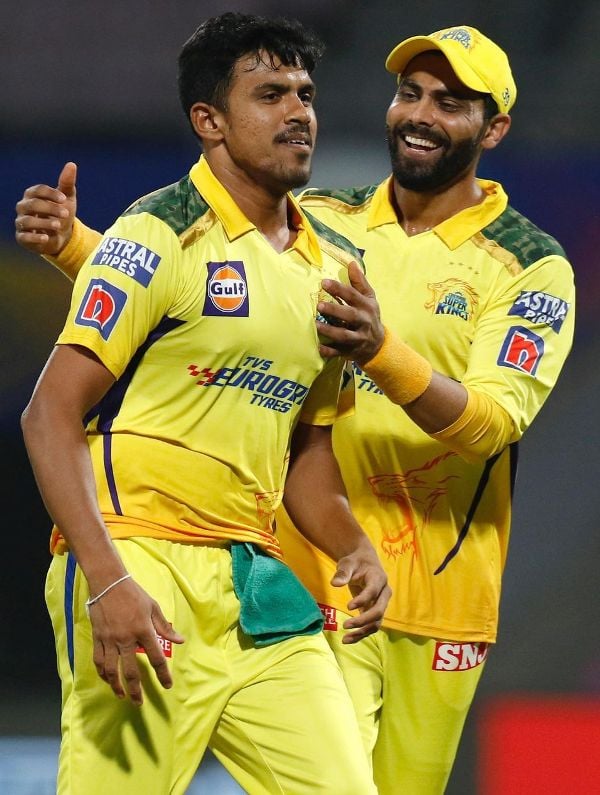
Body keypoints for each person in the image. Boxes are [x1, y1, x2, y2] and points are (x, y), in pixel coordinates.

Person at [16, 23, 575, 795]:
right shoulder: (308, 220)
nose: (419, 113)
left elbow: (485, 425)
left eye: (449, 103)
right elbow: (190, 289)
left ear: (494, 128)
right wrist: (82, 248)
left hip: (399, 590)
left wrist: (377, 360)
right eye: (409, 93)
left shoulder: (516, 264)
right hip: (235, 565)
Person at [17, 12, 391, 795]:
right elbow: (48, 414)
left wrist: (352, 544)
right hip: (139, 564)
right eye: (270, 94)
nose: (298, 112)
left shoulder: (338, 269)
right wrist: (107, 581)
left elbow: (307, 451)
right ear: (209, 121)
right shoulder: (157, 233)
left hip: (255, 584)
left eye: (305, 93)